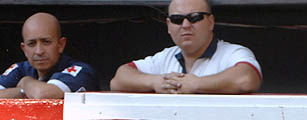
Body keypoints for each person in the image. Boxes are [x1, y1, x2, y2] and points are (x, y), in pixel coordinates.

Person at [110, 0, 262, 94]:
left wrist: (196, 84)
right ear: (169, 26)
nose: (185, 25)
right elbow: (119, 80)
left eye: (195, 17)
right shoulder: (166, 56)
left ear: (210, 22)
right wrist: (155, 82)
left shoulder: (232, 52)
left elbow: (246, 78)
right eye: (177, 19)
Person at [0, 12, 98, 99]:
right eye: (31, 44)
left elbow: (43, 95)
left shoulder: (80, 70)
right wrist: (23, 90)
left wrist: (26, 82)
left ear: (61, 45)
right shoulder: (20, 68)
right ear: (24, 49)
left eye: (46, 42)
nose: (39, 51)